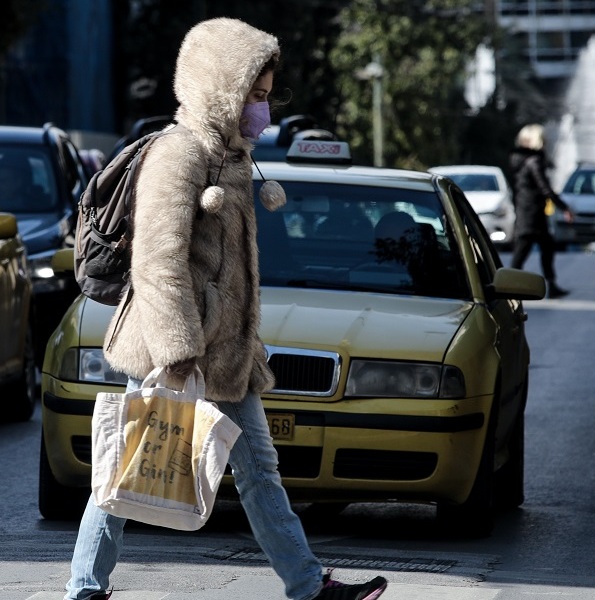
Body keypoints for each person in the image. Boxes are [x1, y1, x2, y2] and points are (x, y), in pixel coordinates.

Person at [63, 17, 388, 600]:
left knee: (254, 469)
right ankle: (84, 589)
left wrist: (236, 340)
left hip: (228, 354)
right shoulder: (178, 154)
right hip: (180, 349)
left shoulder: (232, 158)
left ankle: (309, 586)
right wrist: (180, 352)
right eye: (253, 96)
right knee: (124, 471)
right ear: (220, 87)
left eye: (265, 97)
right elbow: (157, 263)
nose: (261, 110)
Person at [507, 123, 574, 299]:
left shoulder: (519, 159)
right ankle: (507, 290)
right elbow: (545, 188)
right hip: (533, 214)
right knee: (523, 252)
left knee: (541, 248)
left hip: (526, 211)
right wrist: (564, 207)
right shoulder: (533, 161)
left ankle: (548, 285)